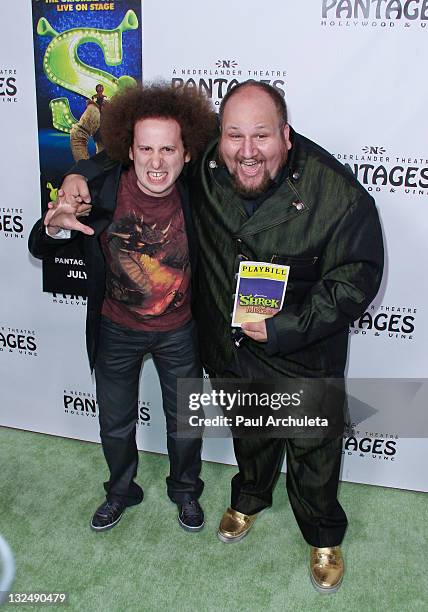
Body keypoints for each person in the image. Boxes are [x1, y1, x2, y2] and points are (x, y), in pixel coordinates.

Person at [55, 80, 384, 592]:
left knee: (314, 451)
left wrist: (284, 328)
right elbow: (139, 153)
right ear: (216, 139)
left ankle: (323, 535)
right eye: (234, 135)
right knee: (251, 438)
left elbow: (357, 278)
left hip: (304, 352)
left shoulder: (336, 193)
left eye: (261, 136)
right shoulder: (207, 167)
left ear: (286, 135)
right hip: (232, 347)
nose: (247, 151)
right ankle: (249, 499)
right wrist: (77, 170)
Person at [28, 84, 217, 533]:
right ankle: (119, 491)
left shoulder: (200, 192)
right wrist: (55, 226)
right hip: (116, 329)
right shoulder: (102, 188)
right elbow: (39, 243)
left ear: (186, 153)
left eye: (168, 148)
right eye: (145, 148)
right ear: (128, 151)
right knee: (115, 425)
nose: (156, 161)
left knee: (186, 424)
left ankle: (185, 491)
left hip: (180, 331)